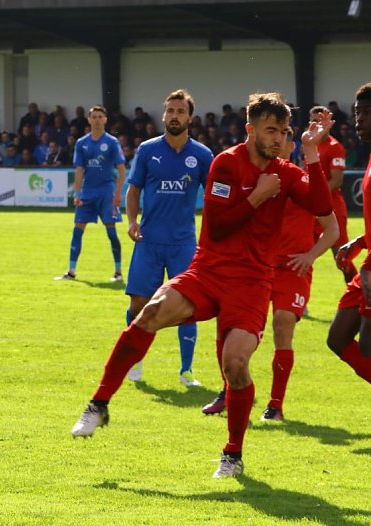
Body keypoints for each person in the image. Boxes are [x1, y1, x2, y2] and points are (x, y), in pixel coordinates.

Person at [70, 92, 333, 479]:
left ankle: (232, 455)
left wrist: (310, 153)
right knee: (149, 313)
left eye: (285, 131)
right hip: (209, 270)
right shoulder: (225, 164)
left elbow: (322, 207)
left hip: (253, 282)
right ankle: (99, 404)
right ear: (250, 129)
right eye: (271, 130)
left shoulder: (286, 172)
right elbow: (221, 225)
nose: (279, 138)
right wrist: (259, 196)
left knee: (236, 364)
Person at [202, 127, 339, 418]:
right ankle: (228, 392)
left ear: (293, 146)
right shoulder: (256, 178)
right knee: (226, 327)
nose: (277, 142)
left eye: (284, 138)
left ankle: (275, 405)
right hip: (255, 267)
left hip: (292, 269)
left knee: (282, 322)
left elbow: (332, 228)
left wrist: (310, 255)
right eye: (273, 136)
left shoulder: (302, 181)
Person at [123, 90, 213, 388]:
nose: (174, 115)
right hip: (148, 241)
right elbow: (133, 190)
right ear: (164, 115)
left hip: (184, 243)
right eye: (170, 110)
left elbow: (214, 197)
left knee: (187, 306)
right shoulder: (148, 150)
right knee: (139, 302)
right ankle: (134, 359)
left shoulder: (201, 155)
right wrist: (133, 221)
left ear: (190, 117)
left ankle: (186, 371)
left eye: (180, 111)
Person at [326, 82, 371, 390]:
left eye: (368, 113)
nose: (358, 120)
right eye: (357, 113)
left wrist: (369, 265)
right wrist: (359, 242)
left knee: (370, 351)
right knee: (337, 339)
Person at [55, 106, 126, 281]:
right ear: (88, 120)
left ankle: (117, 272)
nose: (96, 120)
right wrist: (77, 193)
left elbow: (122, 170)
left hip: (106, 193)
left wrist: (117, 194)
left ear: (105, 120)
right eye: (93, 117)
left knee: (111, 232)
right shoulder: (81, 143)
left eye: (100, 116)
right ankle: (71, 271)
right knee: (77, 230)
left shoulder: (111, 142)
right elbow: (79, 170)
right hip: (87, 193)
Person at [306, 105, 352, 283]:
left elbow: (336, 180)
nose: (317, 124)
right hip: (313, 211)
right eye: (313, 121)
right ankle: (295, 298)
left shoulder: (334, 147)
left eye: (320, 121)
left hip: (332, 209)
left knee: (341, 257)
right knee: (302, 251)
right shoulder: (310, 145)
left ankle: (359, 294)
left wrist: (316, 196)